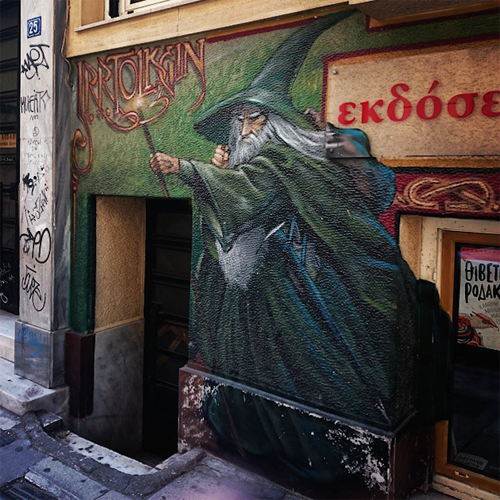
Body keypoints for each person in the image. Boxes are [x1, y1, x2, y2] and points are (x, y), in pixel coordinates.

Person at [149, 13, 418, 481]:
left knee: (303, 365)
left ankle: (312, 453)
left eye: (253, 119)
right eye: (239, 122)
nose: (244, 131)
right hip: (256, 290)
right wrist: (219, 175)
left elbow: (251, 189)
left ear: (273, 123)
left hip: (291, 287)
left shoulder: (279, 160)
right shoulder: (265, 159)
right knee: (251, 367)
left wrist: (186, 168)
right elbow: (234, 211)